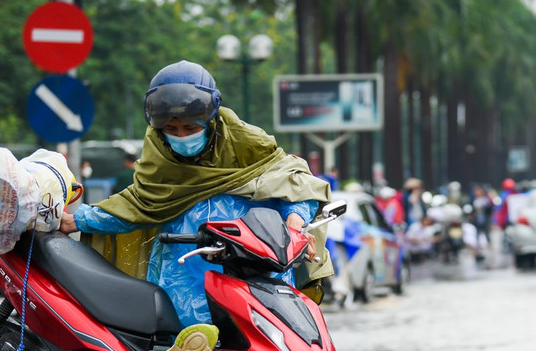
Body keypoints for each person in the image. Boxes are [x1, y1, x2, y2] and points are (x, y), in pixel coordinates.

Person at [59, 60, 333, 325]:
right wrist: (78, 220)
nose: (180, 136)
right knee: (189, 348)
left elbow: (294, 184)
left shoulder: (247, 146)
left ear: (211, 122)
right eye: (171, 129)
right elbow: (138, 205)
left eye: (190, 128)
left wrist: (294, 224)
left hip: (258, 271)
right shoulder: (160, 162)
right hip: (184, 274)